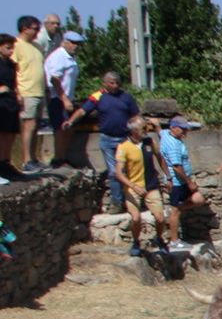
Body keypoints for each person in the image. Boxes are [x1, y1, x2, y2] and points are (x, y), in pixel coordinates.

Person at [61, 72, 141, 209]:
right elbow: (82, 111)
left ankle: (132, 201)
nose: (115, 86)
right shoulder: (98, 96)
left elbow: (136, 116)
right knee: (113, 172)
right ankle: (117, 202)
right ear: (105, 83)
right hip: (107, 139)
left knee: (128, 170)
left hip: (124, 139)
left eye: (117, 83)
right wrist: (70, 121)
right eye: (111, 83)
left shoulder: (126, 97)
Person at [115, 117, 171, 256]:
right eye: (142, 129)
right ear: (133, 131)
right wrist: (133, 186)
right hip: (133, 187)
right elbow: (118, 173)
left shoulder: (150, 142)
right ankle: (136, 241)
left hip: (151, 185)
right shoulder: (123, 147)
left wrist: (167, 176)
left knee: (160, 218)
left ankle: (159, 238)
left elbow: (159, 157)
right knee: (135, 218)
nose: (146, 131)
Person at [159, 115, 206, 244]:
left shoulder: (165, 134)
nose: (186, 132)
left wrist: (155, 123)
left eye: (186, 129)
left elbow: (159, 130)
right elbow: (177, 167)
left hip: (181, 182)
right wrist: (189, 182)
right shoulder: (173, 144)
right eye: (182, 129)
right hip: (177, 183)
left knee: (198, 199)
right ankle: (174, 241)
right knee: (175, 211)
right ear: (173, 128)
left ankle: (179, 208)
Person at [43, 30, 84, 166]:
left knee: (69, 127)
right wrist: (64, 99)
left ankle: (63, 156)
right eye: (73, 43)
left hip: (66, 98)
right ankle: (58, 158)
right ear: (64, 42)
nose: (76, 46)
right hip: (58, 99)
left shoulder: (70, 57)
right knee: (61, 128)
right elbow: (54, 79)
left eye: (78, 44)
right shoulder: (59, 57)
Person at [14, 15, 47, 173]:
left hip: (39, 90)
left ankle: (33, 158)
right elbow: (13, 69)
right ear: (24, 28)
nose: (37, 32)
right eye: (35, 29)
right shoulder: (16, 45)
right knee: (29, 125)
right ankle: (26, 160)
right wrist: (17, 92)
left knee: (36, 126)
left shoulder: (36, 46)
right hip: (26, 91)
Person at [0, 34, 20, 182]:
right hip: (1, 102)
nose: (11, 50)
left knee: (10, 133)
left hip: (11, 101)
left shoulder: (11, 64)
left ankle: (6, 162)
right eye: (8, 47)